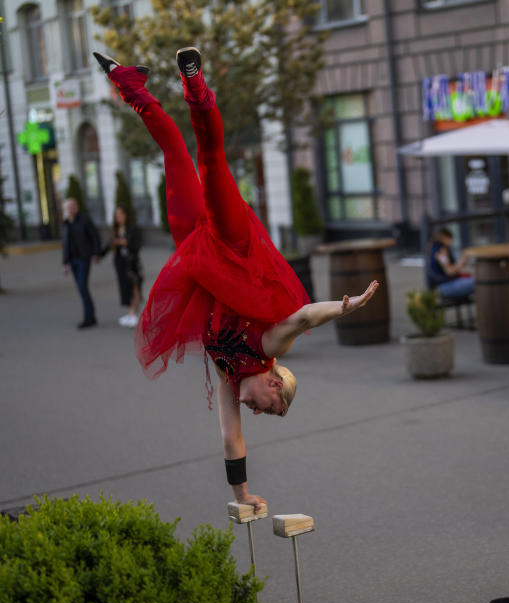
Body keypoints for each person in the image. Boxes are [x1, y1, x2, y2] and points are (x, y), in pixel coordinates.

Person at [93, 48, 378, 512]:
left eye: (262, 414)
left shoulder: (229, 376)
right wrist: (345, 308)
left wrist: (241, 492)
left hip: (195, 249)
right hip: (233, 245)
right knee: (211, 160)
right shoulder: (268, 350)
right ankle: (195, 86)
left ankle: (130, 84)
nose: (255, 411)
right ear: (273, 384)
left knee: (173, 153)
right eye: (269, 408)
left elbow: (230, 438)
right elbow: (304, 316)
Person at [61, 197, 102, 329]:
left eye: (72, 206)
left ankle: (89, 318)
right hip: (72, 260)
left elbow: (95, 235)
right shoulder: (66, 224)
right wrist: (65, 263)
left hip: (84, 258)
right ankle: (91, 316)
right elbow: (65, 244)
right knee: (81, 288)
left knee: (82, 287)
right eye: (68, 207)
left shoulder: (84, 220)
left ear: (77, 207)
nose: (70, 209)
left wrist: (96, 253)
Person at [106, 205, 144, 327]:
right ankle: (130, 312)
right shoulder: (116, 230)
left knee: (135, 286)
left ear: (126, 215)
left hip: (132, 262)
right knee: (126, 288)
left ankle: (134, 313)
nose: (118, 217)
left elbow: (136, 244)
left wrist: (125, 243)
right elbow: (109, 245)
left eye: (120, 214)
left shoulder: (132, 228)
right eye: (116, 215)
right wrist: (98, 255)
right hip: (121, 263)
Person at [426, 227, 474, 299]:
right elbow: (449, 271)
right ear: (445, 238)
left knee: (478, 280)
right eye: (451, 238)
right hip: (445, 288)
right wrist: (461, 262)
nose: (452, 241)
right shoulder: (440, 252)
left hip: (444, 286)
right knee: (479, 281)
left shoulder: (435, 249)